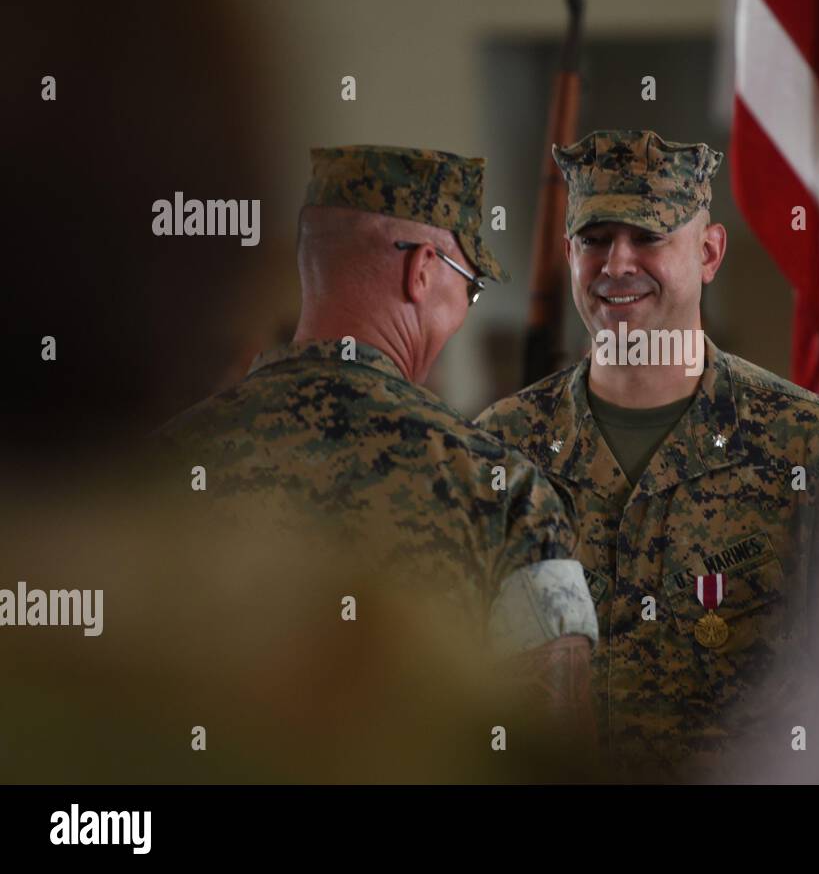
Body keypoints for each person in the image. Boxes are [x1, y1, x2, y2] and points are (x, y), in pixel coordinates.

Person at [475, 129, 819, 778]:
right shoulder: (501, 449)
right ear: (569, 253)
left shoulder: (809, 450)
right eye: (594, 239)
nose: (617, 263)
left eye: (648, 237)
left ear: (708, 251)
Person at [158, 145, 598, 734]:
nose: (465, 308)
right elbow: (555, 738)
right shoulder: (503, 489)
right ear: (421, 270)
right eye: (470, 287)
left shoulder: (159, 462)